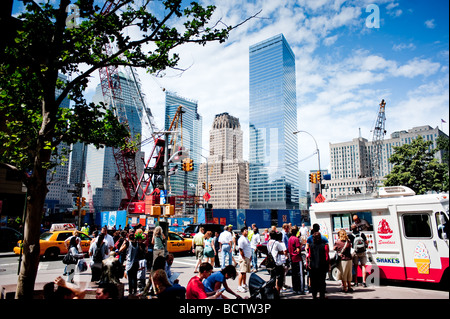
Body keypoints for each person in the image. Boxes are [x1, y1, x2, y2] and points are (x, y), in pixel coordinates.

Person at [306, 231, 330, 299]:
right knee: (322, 282)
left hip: (313, 266)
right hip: (322, 266)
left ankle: (314, 296)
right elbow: (326, 256)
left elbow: (309, 255)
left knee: (314, 282)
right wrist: (328, 265)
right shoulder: (324, 246)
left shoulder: (311, 246)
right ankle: (322, 296)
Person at [267, 230, 288, 295]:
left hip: (271, 262)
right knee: (279, 278)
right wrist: (278, 252)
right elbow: (282, 252)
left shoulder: (268, 242)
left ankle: (272, 291)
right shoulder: (276, 243)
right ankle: (278, 292)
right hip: (277, 262)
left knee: (272, 277)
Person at [288, 226, 305, 295]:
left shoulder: (290, 239)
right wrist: (301, 246)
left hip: (292, 257)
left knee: (294, 274)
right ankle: (301, 289)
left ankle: (295, 288)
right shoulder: (296, 239)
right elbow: (298, 249)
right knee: (300, 274)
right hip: (297, 258)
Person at [237, 227, 252, 293]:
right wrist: (243, 256)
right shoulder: (241, 239)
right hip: (243, 258)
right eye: (245, 230)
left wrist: (249, 256)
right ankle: (239, 286)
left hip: (247, 257)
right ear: (242, 232)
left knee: (245, 272)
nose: (247, 231)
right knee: (242, 271)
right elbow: (240, 249)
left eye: (247, 230)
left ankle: (244, 284)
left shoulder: (246, 238)